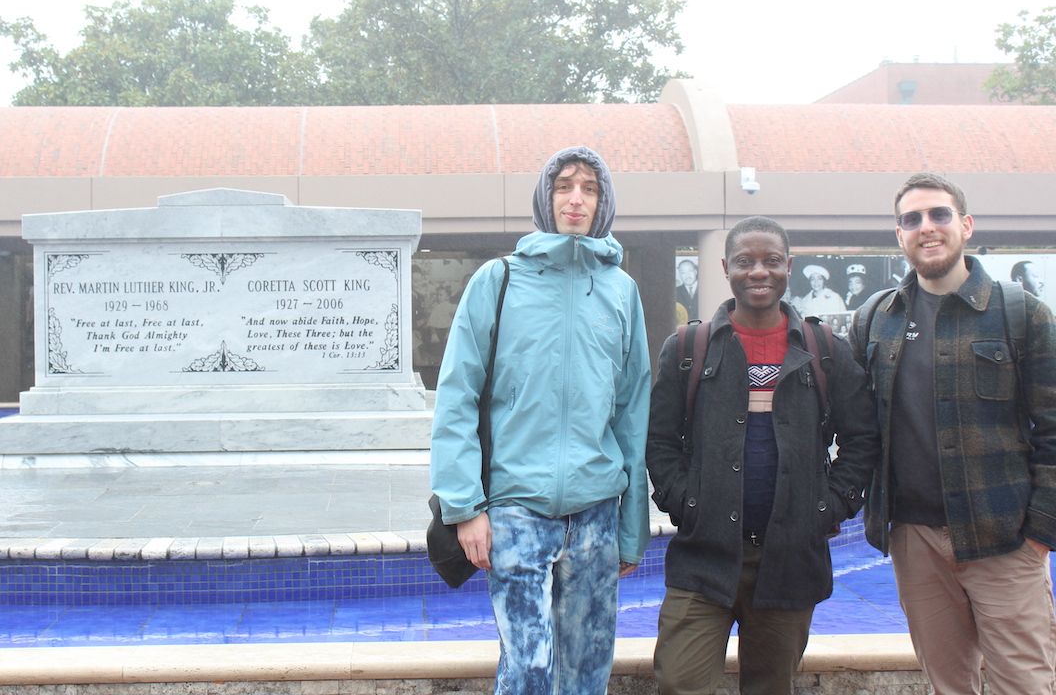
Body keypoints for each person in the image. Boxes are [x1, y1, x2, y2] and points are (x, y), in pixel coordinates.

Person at [430, 146, 651, 695]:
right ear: (545, 197)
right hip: (515, 510)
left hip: (597, 512)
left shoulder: (622, 291)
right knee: (527, 672)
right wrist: (464, 507)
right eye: (564, 186)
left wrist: (631, 529)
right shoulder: (497, 280)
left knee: (586, 673)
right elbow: (457, 395)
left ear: (603, 202)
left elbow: (632, 411)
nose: (576, 199)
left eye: (590, 188)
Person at [647, 215, 878, 695]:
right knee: (680, 683)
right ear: (725, 267)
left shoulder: (825, 349)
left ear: (789, 266)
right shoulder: (688, 348)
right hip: (704, 556)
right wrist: (687, 503)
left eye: (771, 261)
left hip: (791, 559)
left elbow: (862, 440)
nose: (759, 272)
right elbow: (659, 441)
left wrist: (828, 508)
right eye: (745, 261)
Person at [850, 172, 1056, 695]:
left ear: (965, 225)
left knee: (1026, 686)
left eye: (938, 214)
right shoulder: (875, 320)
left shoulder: (1021, 314)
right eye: (911, 219)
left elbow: (1054, 429)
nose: (927, 227)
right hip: (914, 541)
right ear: (899, 235)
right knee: (948, 686)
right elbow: (852, 427)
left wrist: (1038, 536)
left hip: (1004, 539)